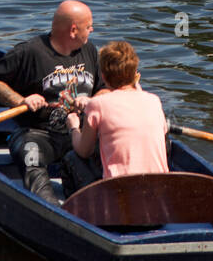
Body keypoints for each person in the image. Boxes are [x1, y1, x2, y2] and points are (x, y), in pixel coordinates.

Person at [0, 1, 104, 204]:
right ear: (73, 30)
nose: (92, 30)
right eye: (88, 26)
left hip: (80, 132)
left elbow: (104, 88)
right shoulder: (30, 52)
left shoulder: (89, 50)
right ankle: (50, 208)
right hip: (39, 134)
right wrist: (21, 100)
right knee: (31, 157)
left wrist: (91, 100)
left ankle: (100, 199)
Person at [67, 41, 168, 180]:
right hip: (160, 184)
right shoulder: (154, 100)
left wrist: (73, 128)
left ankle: (76, 201)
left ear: (103, 77)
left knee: (71, 158)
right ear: (135, 74)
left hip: (119, 189)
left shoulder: (97, 105)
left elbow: (84, 151)